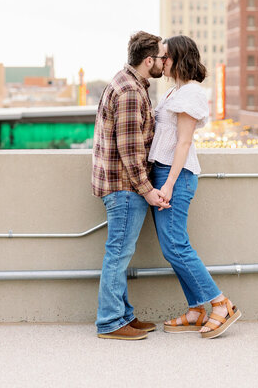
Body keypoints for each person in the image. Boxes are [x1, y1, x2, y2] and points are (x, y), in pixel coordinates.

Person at [149, 35, 241, 339]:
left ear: (178, 58)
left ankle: (220, 304)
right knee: (171, 247)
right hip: (164, 173)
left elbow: (184, 142)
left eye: (165, 56)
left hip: (175, 175)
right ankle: (197, 309)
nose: (161, 61)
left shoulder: (190, 94)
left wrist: (170, 184)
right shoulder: (174, 92)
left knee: (176, 246)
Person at [92, 31, 171, 341]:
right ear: (148, 60)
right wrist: (147, 190)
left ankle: (123, 314)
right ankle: (110, 322)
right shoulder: (129, 92)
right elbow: (130, 151)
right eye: (163, 57)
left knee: (121, 253)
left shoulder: (131, 84)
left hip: (123, 186)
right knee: (118, 254)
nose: (166, 62)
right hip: (125, 188)